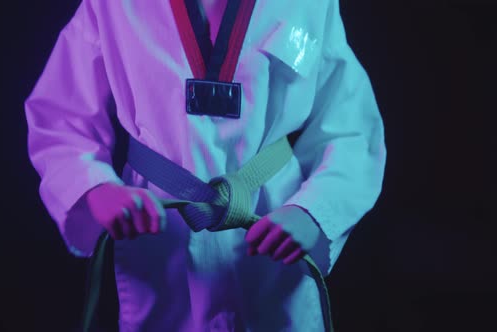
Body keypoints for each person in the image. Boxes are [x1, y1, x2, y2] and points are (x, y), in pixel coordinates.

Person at [25, 0, 386, 331]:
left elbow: (351, 129)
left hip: (271, 226)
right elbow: (62, 120)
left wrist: (313, 212)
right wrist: (94, 190)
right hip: (161, 234)